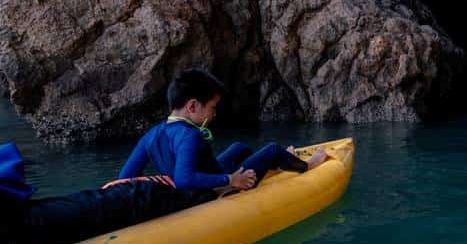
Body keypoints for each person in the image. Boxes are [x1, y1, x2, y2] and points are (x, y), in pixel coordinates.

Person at [1, 142, 210, 244]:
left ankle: (219, 183)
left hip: (19, 223)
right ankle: (218, 183)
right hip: (19, 226)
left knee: (132, 196)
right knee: (134, 196)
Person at [117, 69, 327, 191]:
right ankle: (306, 166)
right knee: (272, 149)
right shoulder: (188, 134)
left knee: (239, 147)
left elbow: (124, 178)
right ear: (192, 106)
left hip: (212, 172)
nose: (215, 114)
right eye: (212, 108)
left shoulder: (151, 134)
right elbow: (184, 180)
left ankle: (275, 165)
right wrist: (231, 180)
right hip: (211, 189)